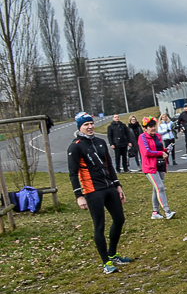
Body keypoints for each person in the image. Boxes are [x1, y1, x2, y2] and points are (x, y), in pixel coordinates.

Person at [68, 112, 130, 274]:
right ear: (80, 127)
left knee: (119, 219)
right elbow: (73, 173)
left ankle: (113, 254)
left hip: (109, 187)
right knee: (99, 226)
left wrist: (118, 186)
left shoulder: (100, 142)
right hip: (92, 190)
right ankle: (106, 263)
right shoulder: (75, 146)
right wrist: (79, 195)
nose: (90, 127)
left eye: (91, 124)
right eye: (85, 125)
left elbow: (109, 166)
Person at [139, 116, 175, 220]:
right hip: (150, 167)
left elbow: (159, 148)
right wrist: (161, 153)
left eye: (154, 126)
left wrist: (166, 150)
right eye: (150, 127)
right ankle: (167, 211)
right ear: (145, 128)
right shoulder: (142, 137)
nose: (153, 128)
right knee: (160, 187)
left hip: (160, 165)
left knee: (157, 189)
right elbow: (146, 152)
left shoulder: (158, 136)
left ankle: (155, 212)